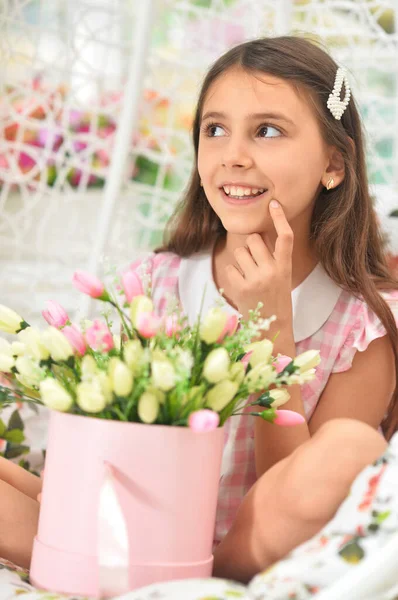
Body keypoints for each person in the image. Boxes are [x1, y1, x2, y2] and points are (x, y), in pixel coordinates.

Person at [0, 35, 398, 578]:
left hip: (247, 555)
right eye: (215, 130)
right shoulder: (152, 288)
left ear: (334, 163)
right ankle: (124, 572)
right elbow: (104, 462)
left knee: (349, 448)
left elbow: (305, 501)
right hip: (120, 538)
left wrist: (272, 331)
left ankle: (183, 581)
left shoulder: (362, 329)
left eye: (268, 130)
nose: (233, 154)